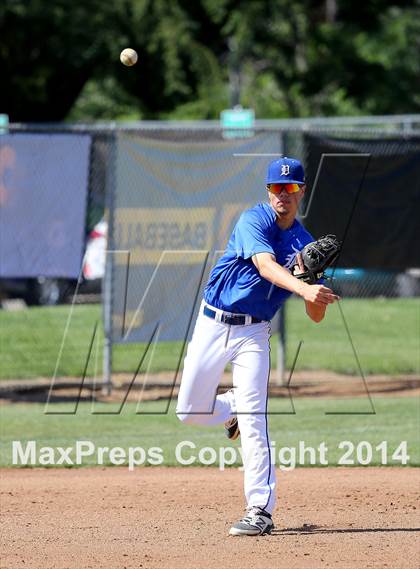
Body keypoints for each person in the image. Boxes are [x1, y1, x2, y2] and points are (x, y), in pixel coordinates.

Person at [176, 157, 339, 536]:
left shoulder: (305, 243)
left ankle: (260, 510)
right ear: (268, 191)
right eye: (277, 188)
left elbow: (315, 315)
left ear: (301, 192)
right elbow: (266, 266)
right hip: (213, 321)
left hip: (254, 334)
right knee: (188, 412)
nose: (283, 194)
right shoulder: (253, 219)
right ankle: (231, 405)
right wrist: (303, 284)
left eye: (291, 188)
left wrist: (314, 287)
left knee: (255, 422)